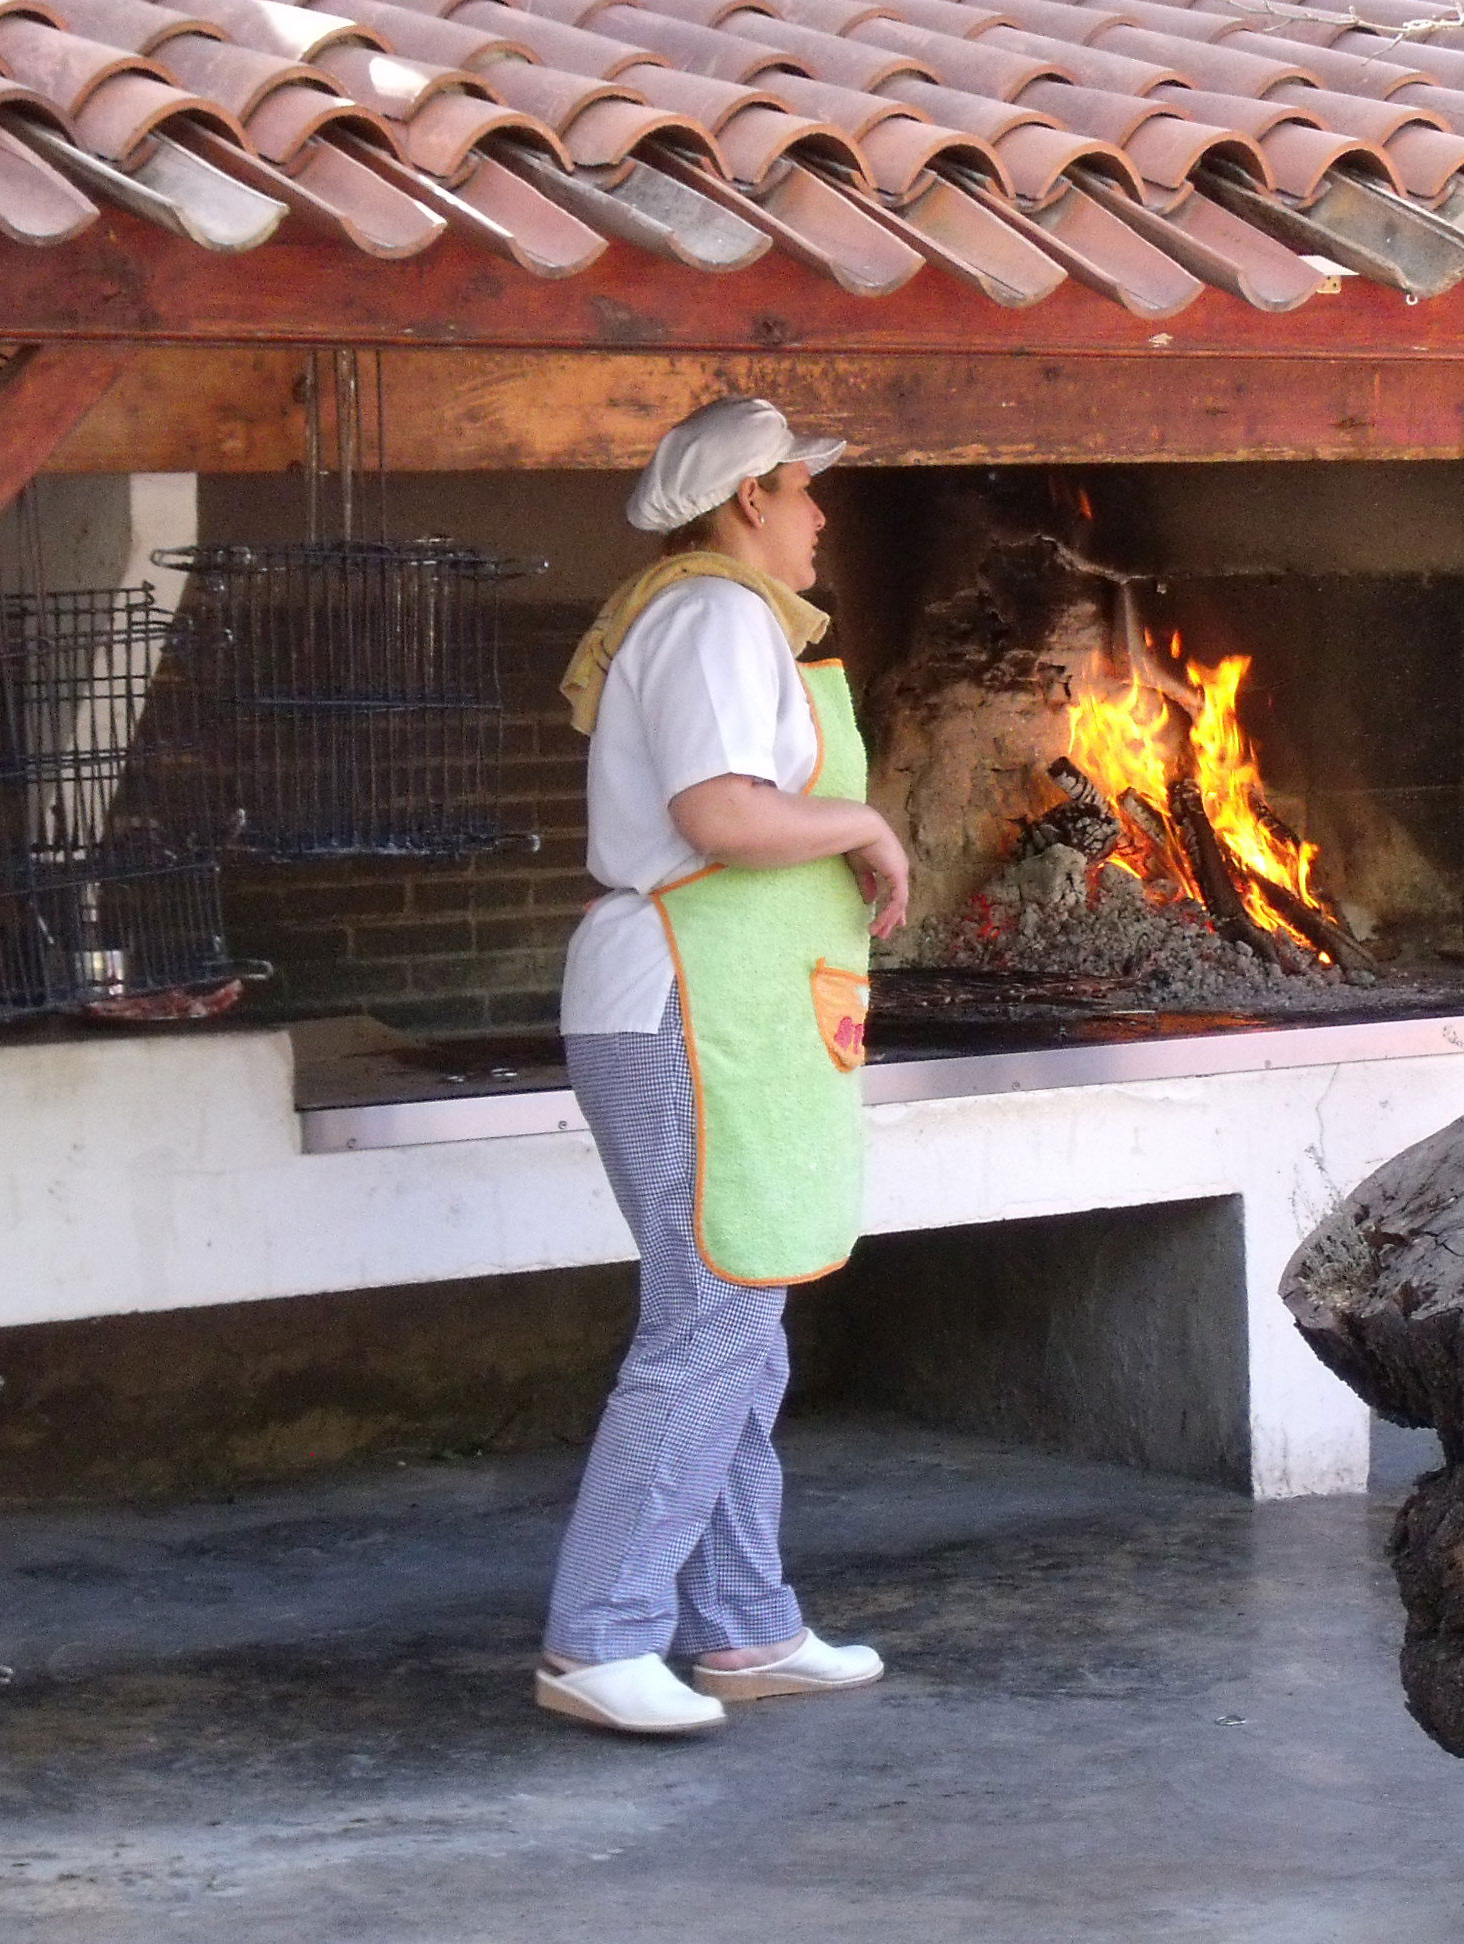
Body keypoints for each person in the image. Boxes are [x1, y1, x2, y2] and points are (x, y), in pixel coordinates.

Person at [534, 397, 911, 1735]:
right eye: (807, 491)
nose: (819, 517)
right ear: (751, 495)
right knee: (711, 1317)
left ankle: (743, 1628)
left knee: (741, 1321)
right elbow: (719, 812)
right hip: (678, 1007)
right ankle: (601, 1639)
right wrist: (865, 819)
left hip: (725, 1011)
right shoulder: (711, 615)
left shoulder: (730, 618)